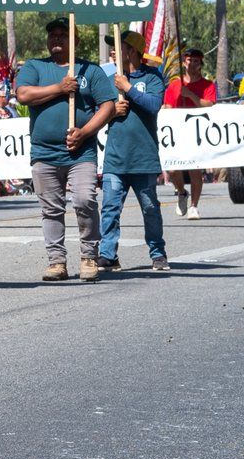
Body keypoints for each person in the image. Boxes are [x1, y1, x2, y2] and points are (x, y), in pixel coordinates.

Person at [13, 19, 113, 283]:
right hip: (44, 153)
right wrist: (59, 88)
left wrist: (85, 132)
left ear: (75, 41)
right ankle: (57, 262)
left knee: (84, 200)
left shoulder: (90, 70)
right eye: (53, 35)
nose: (57, 39)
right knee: (51, 209)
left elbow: (107, 106)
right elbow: (23, 94)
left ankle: (89, 256)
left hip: (81, 153)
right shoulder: (35, 66)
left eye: (63, 35)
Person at [97, 31, 173, 273]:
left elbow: (153, 105)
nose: (114, 52)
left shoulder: (153, 78)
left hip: (144, 158)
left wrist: (127, 87)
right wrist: (112, 112)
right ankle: (108, 255)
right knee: (110, 206)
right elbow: (97, 113)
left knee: (150, 208)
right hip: (115, 158)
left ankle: (158, 253)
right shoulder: (110, 80)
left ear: (132, 51)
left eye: (119, 47)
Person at [166, 48, 220, 219]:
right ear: (184, 62)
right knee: (173, 170)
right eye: (189, 60)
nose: (192, 63)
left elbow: (209, 105)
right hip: (177, 133)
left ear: (200, 64)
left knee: (195, 170)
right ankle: (182, 192)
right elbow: (167, 107)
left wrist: (190, 95)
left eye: (196, 61)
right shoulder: (175, 85)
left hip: (197, 132)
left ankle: (194, 206)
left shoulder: (207, 85)